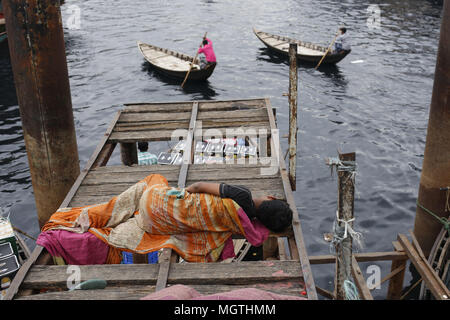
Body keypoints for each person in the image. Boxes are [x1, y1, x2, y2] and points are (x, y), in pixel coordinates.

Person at [39, 174, 293, 264]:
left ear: (269, 197)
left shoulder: (244, 196)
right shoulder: (242, 220)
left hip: (155, 204)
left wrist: (181, 195)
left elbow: (200, 185)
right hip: (155, 225)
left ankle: (101, 215)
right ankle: (106, 229)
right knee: (136, 219)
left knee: (155, 180)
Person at [185, 181, 292, 233]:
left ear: (271, 197)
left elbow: (198, 186)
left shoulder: (243, 195)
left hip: (183, 204)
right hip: (187, 222)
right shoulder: (245, 221)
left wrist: (182, 192)